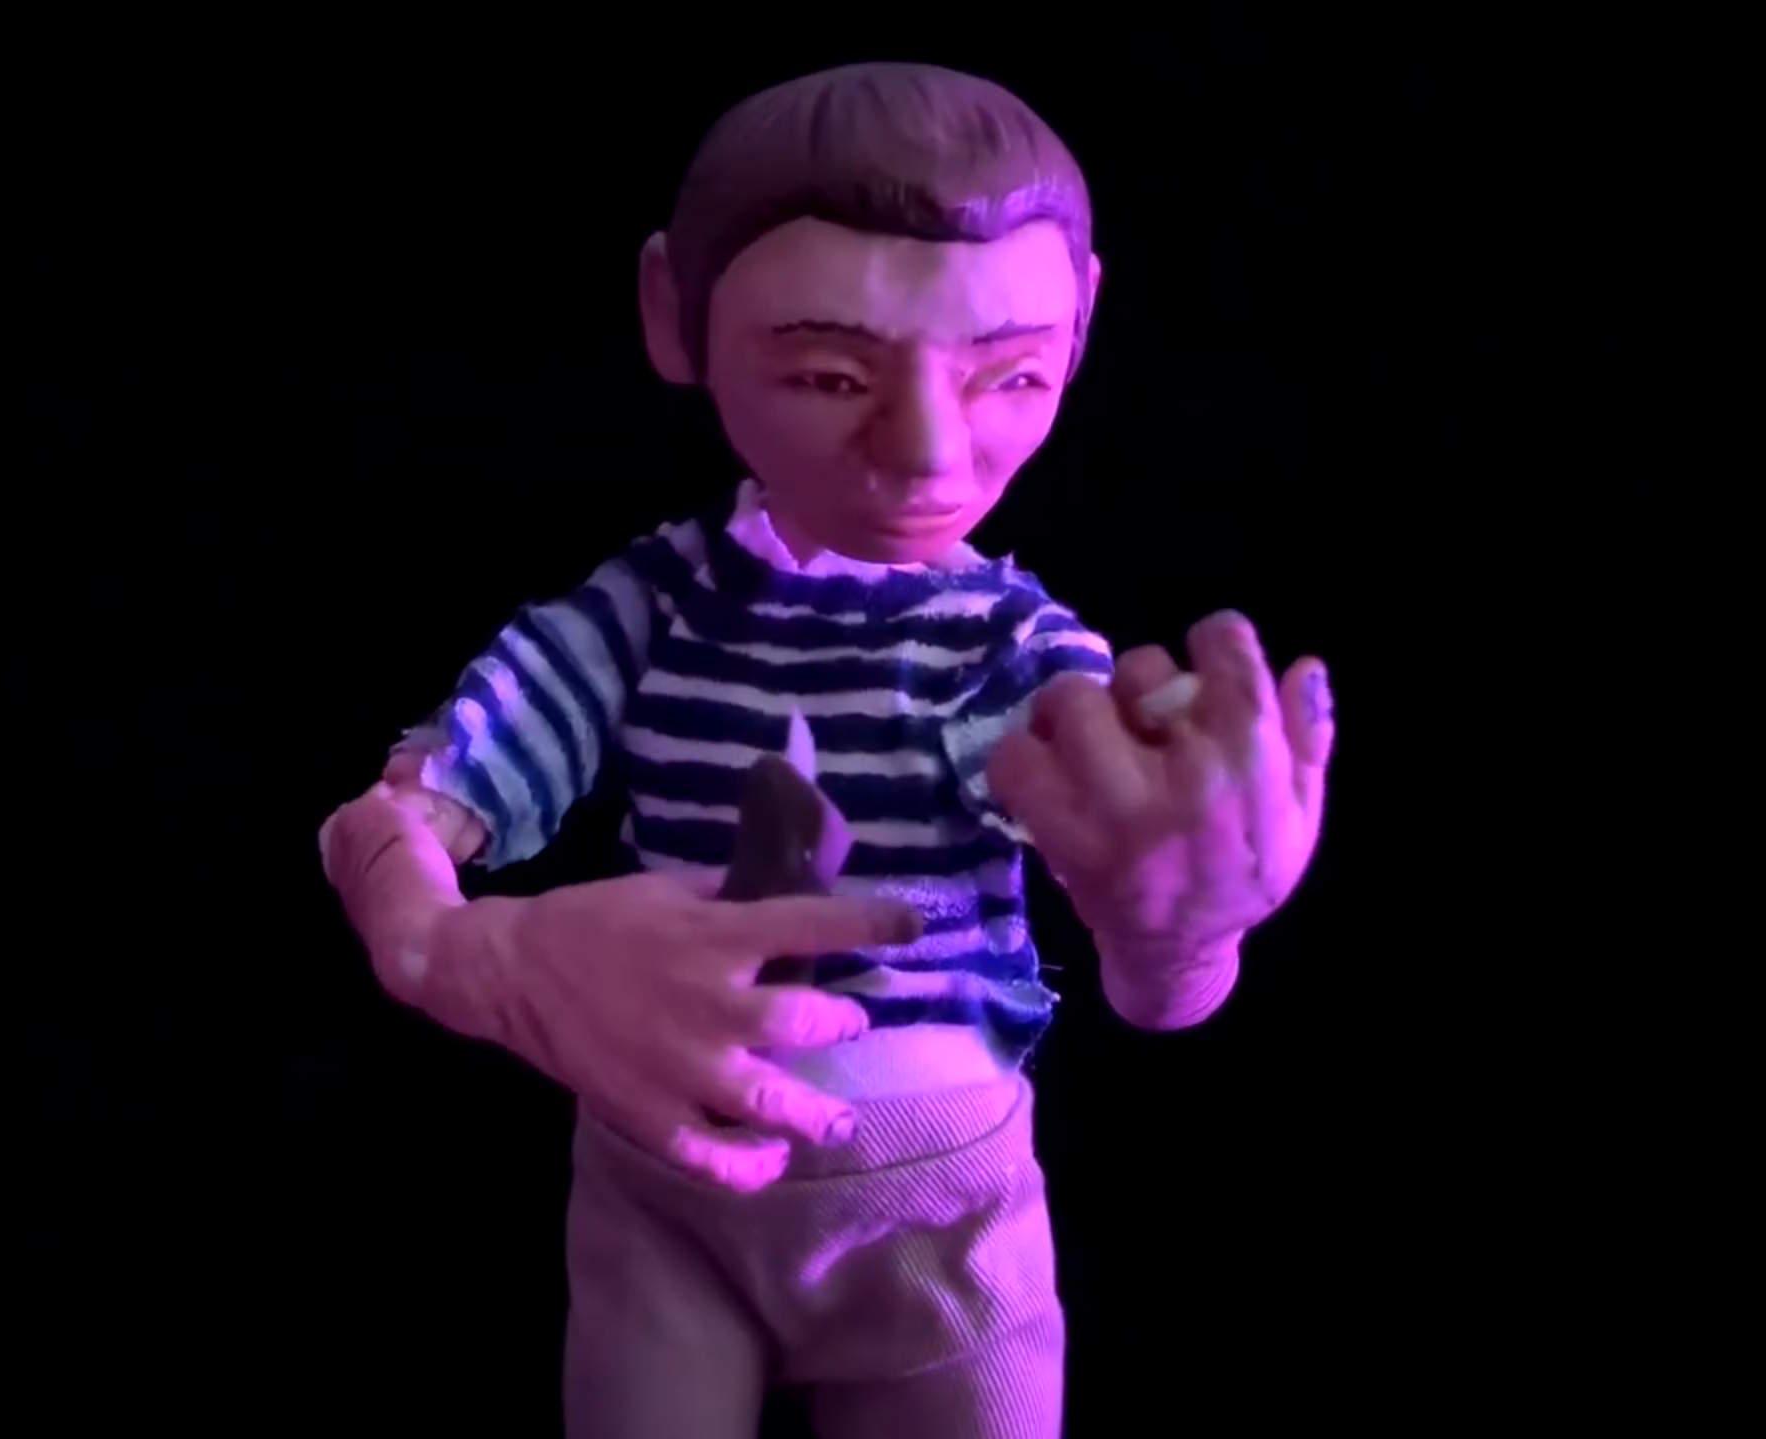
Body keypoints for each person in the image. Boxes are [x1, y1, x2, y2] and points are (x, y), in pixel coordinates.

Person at [318, 61, 1336, 1439]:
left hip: (939, 1214)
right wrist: (467, 951)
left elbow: (1157, 967)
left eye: (1010, 374)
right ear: (673, 317)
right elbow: (394, 820)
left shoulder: (1017, 653)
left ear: (1084, 324)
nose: (927, 454)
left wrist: (1185, 929)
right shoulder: (652, 608)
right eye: (828, 375)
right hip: (662, 1191)